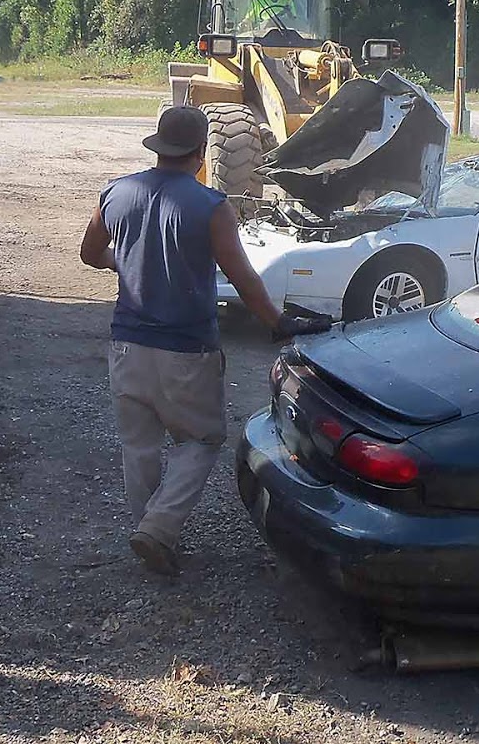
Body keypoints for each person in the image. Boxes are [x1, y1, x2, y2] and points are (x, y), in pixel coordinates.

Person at [79, 106, 329, 576]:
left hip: (126, 344)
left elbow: (90, 253)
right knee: (201, 439)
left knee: (140, 445)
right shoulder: (209, 207)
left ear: (157, 146)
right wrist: (277, 321)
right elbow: (243, 278)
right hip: (186, 350)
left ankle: (149, 527)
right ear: (199, 154)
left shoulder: (115, 192)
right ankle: (157, 529)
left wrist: (128, 263)